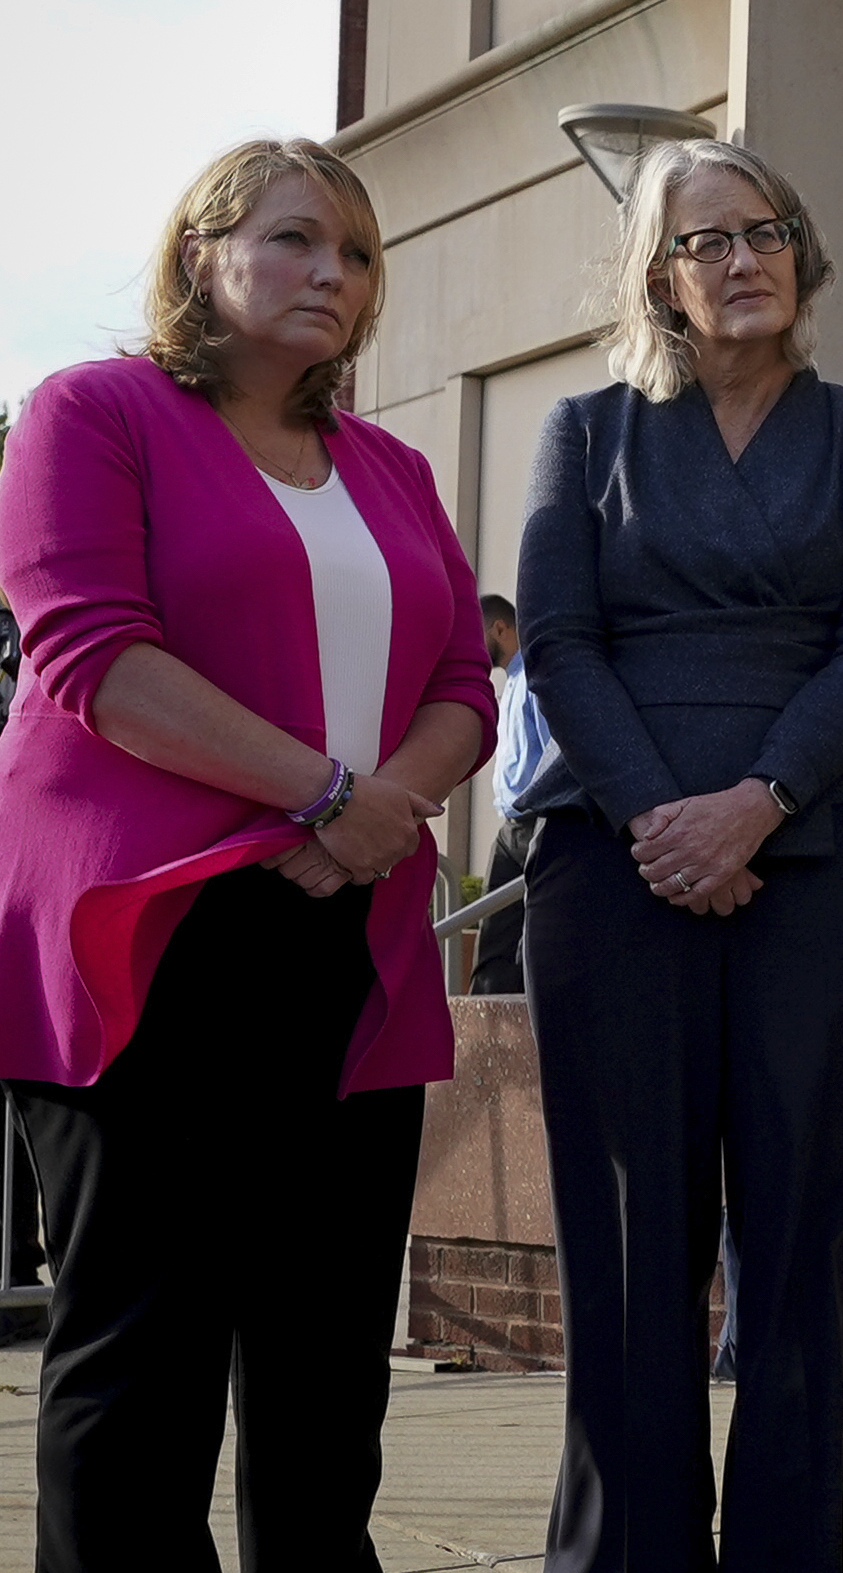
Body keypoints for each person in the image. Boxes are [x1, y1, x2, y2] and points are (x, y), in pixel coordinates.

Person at [0, 137, 494, 1569]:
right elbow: (96, 656)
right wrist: (332, 791)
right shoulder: (92, 412)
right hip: (149, 938)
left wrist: (378, 810)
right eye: (292, 240)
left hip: (348, 935)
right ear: (203, 255)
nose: (329, 274)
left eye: (353, 254)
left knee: (325, 1372)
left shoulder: (389, 466)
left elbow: (466, 681)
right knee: (141, 1362)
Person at [516, 136, 843, 1571]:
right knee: (630, 1252)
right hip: (615, 871)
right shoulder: (585, 431)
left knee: (808, 1248)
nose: (742, 256)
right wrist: (660, 818)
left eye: (764, 228)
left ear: (801, 252)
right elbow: (557, 643)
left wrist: (754, 802)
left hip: (819, 867)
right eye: (706, 239)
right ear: (661, 274)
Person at [472, 591, 549, 993]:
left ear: (499, 628)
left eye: (476, 632)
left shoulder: (538, 676)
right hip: (511, 826)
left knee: (532, 936)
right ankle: (482, 1039)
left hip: (538, 820)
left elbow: (555, 752)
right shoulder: (513, 684)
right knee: (495, 936)